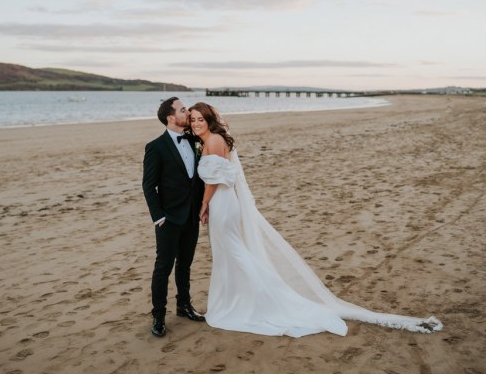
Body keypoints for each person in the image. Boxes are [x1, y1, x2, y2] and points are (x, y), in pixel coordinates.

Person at [189, 102, 443, 337]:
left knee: (232, 252)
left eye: (200, 119)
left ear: (209, 120)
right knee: (229, 252)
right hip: (227, 203)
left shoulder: (212, 141)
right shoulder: (217, 139)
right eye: (192, 120)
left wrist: (203, 205)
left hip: (221, 204)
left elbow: (214, 180)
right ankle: (239, 297)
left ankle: (263, 295)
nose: (196, 123)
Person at [142, 97, 206, 338]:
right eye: (182, 110)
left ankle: (184, 306)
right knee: (163, 268)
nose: (187, 112)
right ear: (170, 117)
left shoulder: (193, 140)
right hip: (168, 219)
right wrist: (158, 218)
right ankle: (158, 316)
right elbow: (148, 186)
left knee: (185, 265)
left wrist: (202, 206)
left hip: (191, 215)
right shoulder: (156, 147)